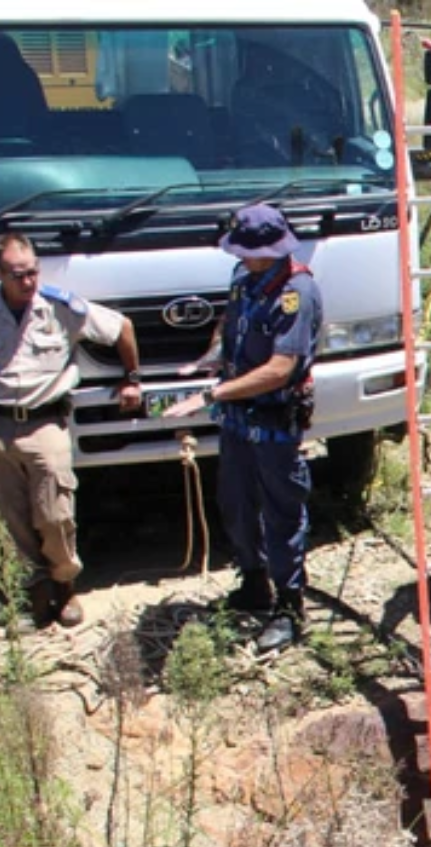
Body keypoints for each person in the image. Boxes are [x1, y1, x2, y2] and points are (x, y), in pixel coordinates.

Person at [0, 234, 142, 628]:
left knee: (55, 514)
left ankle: (64, 585)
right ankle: (35, 590)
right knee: (11, 516)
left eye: (33, 272)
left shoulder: (60, 307)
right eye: (18, 275)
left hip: (45, 424)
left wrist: (132, 379)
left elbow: (121, 328)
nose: (28, 282)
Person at [172, 203, 322, 654]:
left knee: (282, 513)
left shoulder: (296, 292)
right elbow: (229, 325)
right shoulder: (244, 278)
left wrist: (216, 394)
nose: (238, 256)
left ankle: (290, 608)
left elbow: (280, 368)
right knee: (235, 503)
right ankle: (254, 582)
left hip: (275, 421)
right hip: (239, 420)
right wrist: (208, 359)